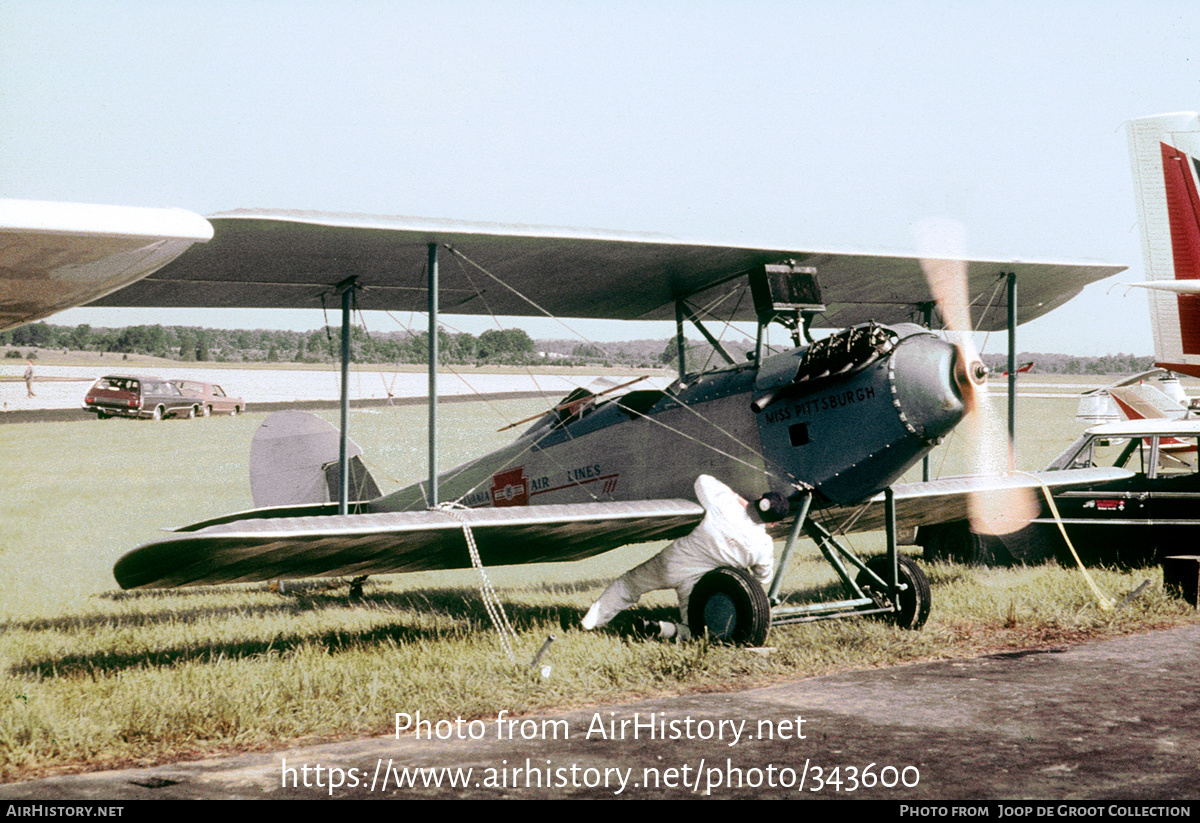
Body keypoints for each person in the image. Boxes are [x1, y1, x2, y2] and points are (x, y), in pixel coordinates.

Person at [581, 475, 788, 639]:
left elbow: (703, 480)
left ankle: (589, 624)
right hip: (700, 582)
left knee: (628, 585)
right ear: (772, 524)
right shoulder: (763, 545)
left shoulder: (726, 504)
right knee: (696, 627)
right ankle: (668, 630)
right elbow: (763, 578)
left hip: (673, 562)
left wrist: (737, 498)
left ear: (760, 497)